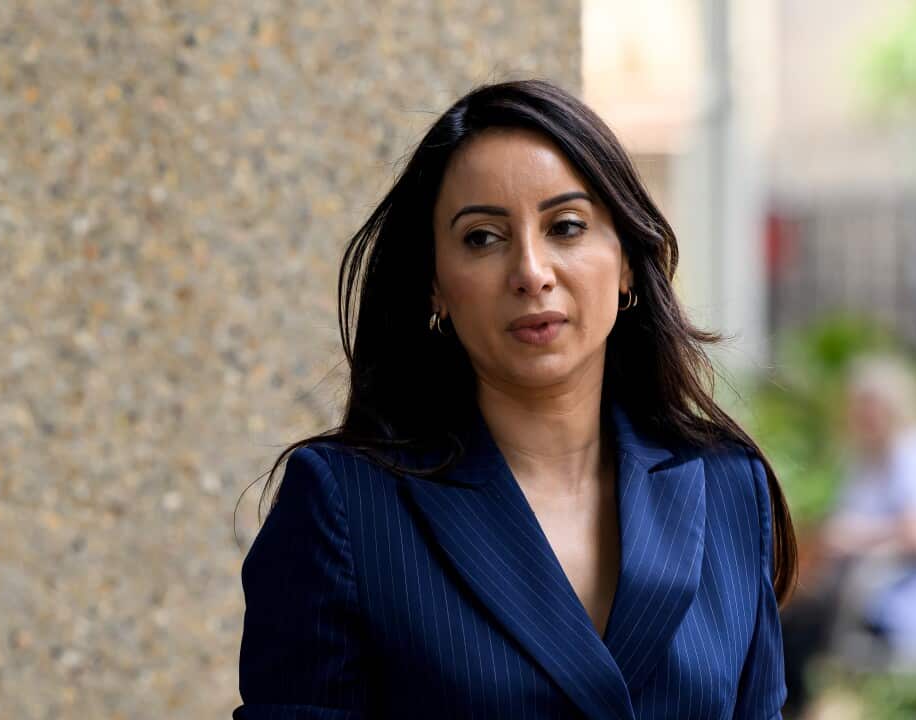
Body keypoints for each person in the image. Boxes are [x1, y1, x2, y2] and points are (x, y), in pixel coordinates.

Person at [233, 79, 797, 720]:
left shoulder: (726, 487)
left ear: (628, 263)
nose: (531, 271)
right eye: (482, 237)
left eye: (566, 226)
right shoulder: (344, 506)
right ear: (435, 287)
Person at [782, 354, 916, 713]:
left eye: (871, 406)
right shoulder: (864, 459)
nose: (863, 416)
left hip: (897, 602)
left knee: (791, 628)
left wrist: (856, 537)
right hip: (852, 597)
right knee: (781, 612)